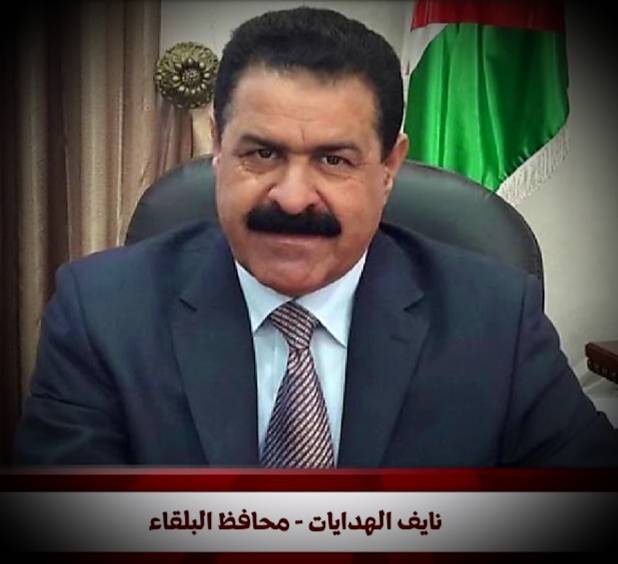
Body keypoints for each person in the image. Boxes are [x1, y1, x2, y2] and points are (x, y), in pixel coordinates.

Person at [13, 7, 618, 467]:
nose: (293, 197)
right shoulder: (100, 313)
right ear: (217, 148)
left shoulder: (496, 320)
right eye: (261, 153)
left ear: (389, 168)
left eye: (334, 160)